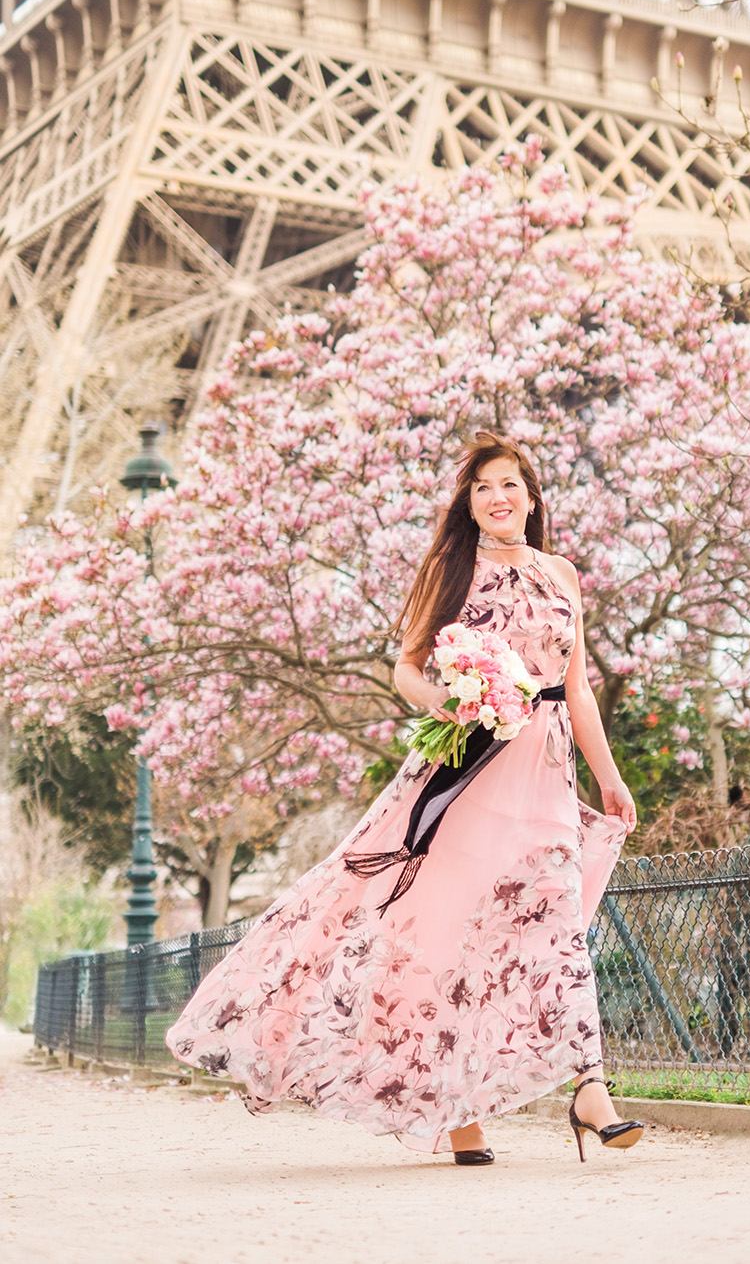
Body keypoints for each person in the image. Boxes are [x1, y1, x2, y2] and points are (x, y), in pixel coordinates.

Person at [166, 430, 642, 1164]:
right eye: (483, 487)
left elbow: (576, 688)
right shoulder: (451, 569)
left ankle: (591, 1092)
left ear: (533, 496)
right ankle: (460, 1119)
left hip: (546, 774)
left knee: (554, 928)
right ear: (471, 504)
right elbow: (408, 669)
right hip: (469, 775)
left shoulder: (562, 576)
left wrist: (609, 777)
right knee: (446, 938)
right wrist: (458, 704)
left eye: (510, 483)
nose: (498, 497)